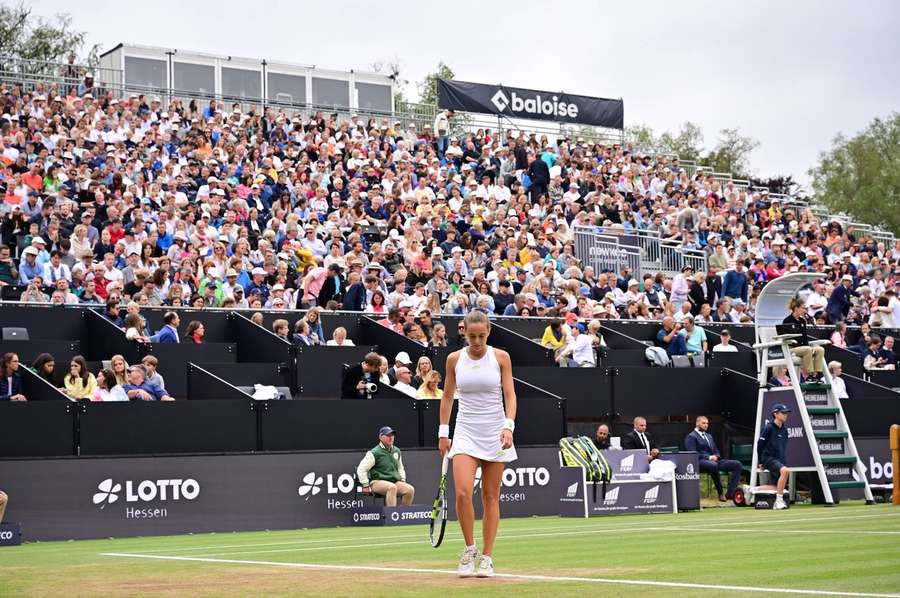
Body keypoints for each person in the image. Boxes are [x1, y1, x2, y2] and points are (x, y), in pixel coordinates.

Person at [439, 310, 517, 578]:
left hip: (495, 431)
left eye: (481, 335)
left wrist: (509, 426)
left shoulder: (501, 357)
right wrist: (443, 432)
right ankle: (469, 548)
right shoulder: (453, 359)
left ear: (489, 332)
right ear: (464, 332)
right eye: (472, 336)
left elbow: (510, 394)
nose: (476, 340)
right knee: (462, 492)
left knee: (490, 496)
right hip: (465, 431)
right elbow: (447, 396)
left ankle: (487, 557)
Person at [684, 416, 743, 501]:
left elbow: (715, 449)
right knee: (713, 465)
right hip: (699, 462)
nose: (706, 425)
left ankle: (730, 493)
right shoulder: (691, 436)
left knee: (737, 464)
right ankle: (720, 493)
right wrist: (709, 457)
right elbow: (693, 453)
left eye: (707, 423)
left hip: (714, 461)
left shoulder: (709, 436)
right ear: (697, 423)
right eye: (703, 423)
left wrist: (716, 456)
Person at [356, 426, 415, 506]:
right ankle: (392, 515)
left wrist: (403, 479)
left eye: (392, 435)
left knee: (410, 490)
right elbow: (361, 469)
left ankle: (402, 514)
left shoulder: (396, 451)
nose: (391, 438)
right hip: (377, 482)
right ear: (380, 437)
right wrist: (365, 485)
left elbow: (400, 467)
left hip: (394, 481)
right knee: (392, 488)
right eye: (388, 435)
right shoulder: (374, 452)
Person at [757, 403, 792, 509]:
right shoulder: (768, 428)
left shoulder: (785, 431)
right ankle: (779, 502)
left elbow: (782, 448)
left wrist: (782, 462)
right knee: (785, 471)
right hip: (768, 458)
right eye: (783, 413)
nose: (786, 415)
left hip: (779, 460)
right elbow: (760, 445)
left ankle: (751, 489)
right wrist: (761, 462)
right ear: (775, 414)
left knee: (776, 487)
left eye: (786, 413)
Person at [783, 297, 825, 382]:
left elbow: (804, 337)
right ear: (796, 308)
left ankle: (815, 375)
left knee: (820, 349)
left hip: (804, 348)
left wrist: (811, 348)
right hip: (792, 348)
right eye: (803, 308)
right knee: (807, 349)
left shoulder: (802, 320)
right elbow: (785, 338)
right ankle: (809, 374)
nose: (805, 310)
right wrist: (807, 347)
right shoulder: (787, 321)